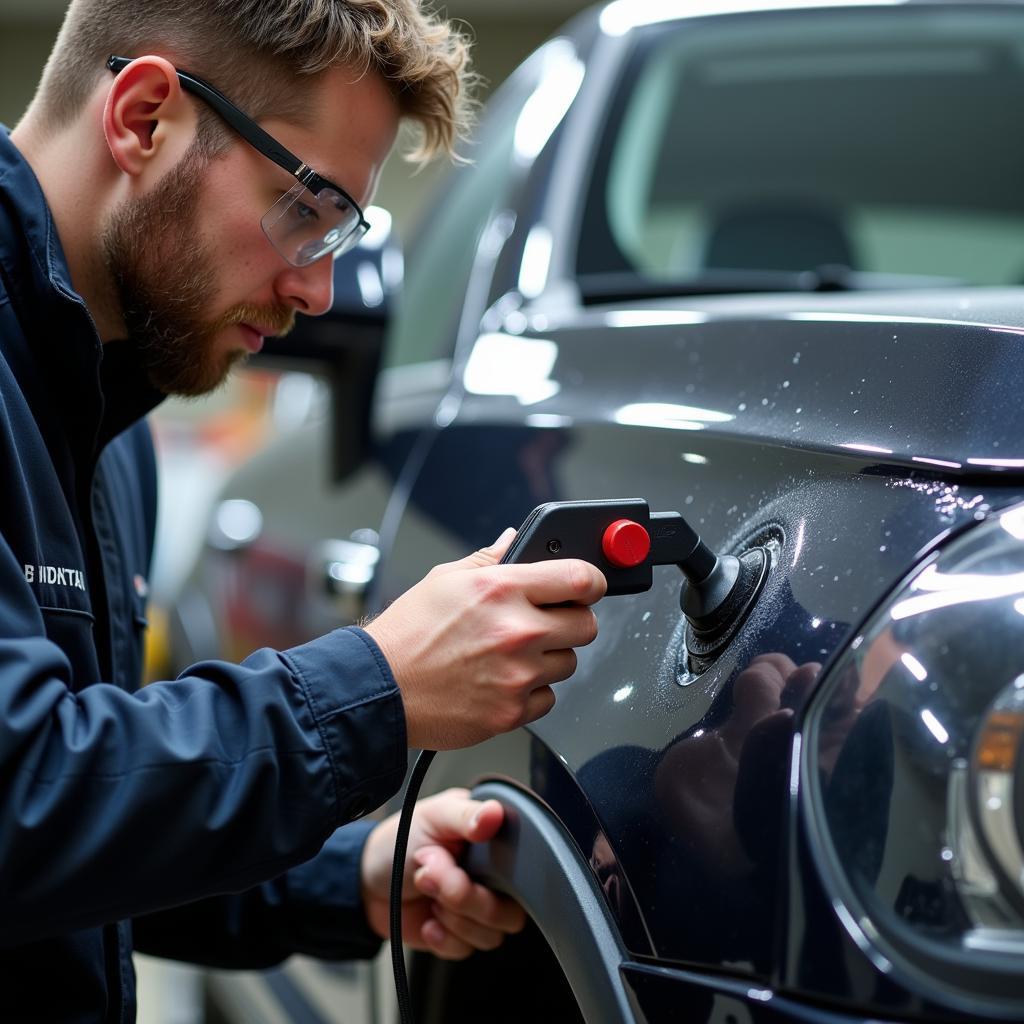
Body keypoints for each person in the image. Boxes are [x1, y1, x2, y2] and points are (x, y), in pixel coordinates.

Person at [0, 0, 607, 1018]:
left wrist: (348, 876)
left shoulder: (111, 435)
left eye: (341, 231)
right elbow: (20, 804)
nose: (317, 291)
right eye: (303, 209)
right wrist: (376, 688)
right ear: (145, 117)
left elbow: (78, 860)